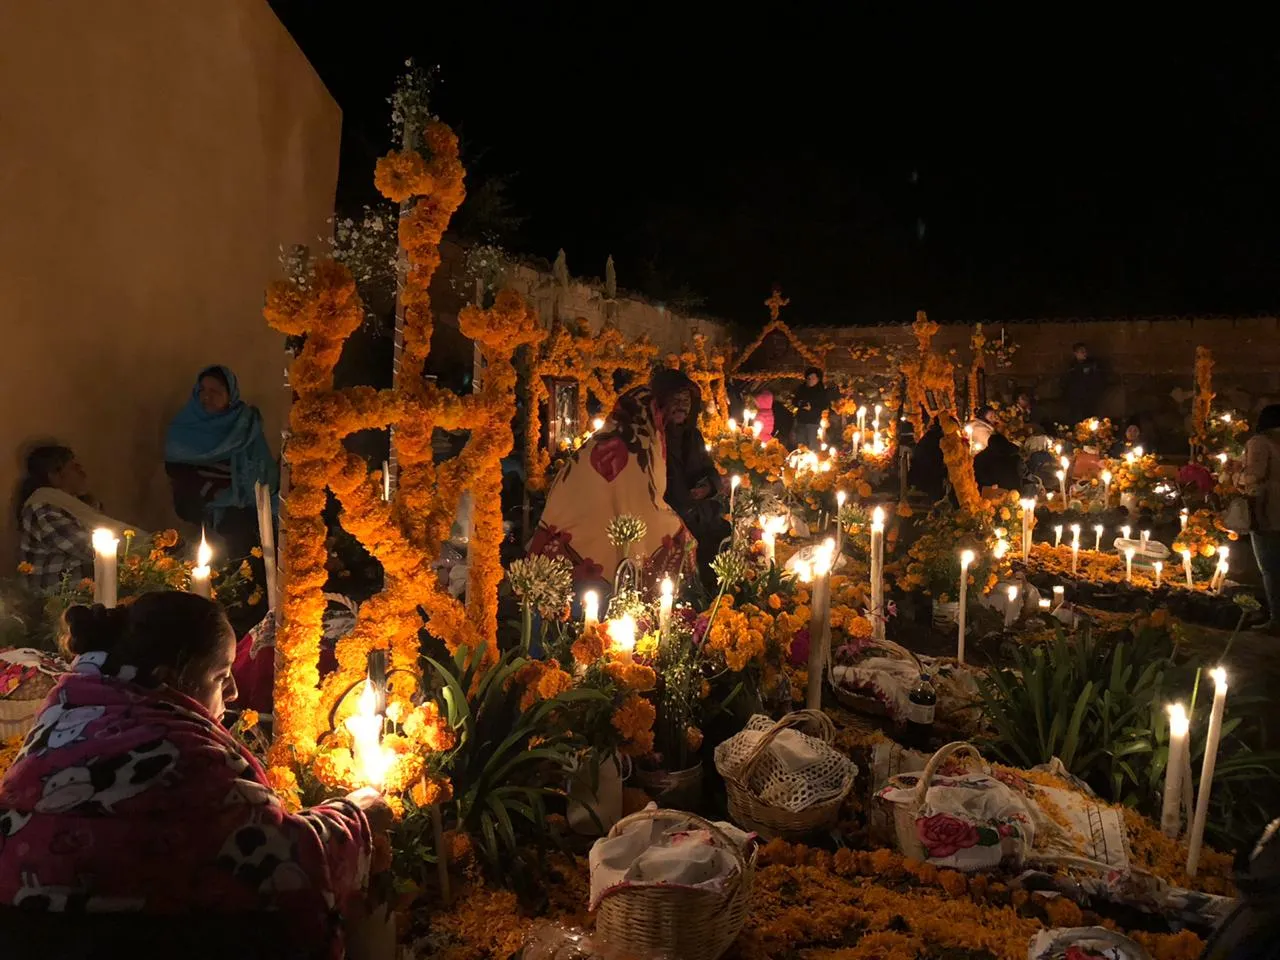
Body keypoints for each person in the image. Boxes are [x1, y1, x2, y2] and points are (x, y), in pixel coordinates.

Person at [0, 592, 386, 958]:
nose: (234, 693)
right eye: (221, 676)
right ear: (172, 677)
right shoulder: (178, 754)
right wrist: (353, 815)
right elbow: (280, 860)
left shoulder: (64, 713)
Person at [529, 369, 717, 585]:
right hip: (605, 521)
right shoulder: (635, 442)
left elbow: (706, 471)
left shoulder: (687, 437)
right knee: (680, 542)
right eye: (676, 400)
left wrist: (707, 487)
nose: (682, 405)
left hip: (686, 509)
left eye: (687, 400)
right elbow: (638, 496)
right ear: (658, 406)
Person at [165, 366, 277, 559]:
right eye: (202, 391)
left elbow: (263, 467)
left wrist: (245, 492)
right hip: (205, 508)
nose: (206, 397)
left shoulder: (245, 424)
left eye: (215, 392)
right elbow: (176, 470)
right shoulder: (185, 428)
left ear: (230, 395)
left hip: (251, 504)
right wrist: (214, 491)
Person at [17, 446, 144, 592]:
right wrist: (141, 551)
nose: (83, 473)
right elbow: (88, 548)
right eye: (75, 468)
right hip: (61, 594)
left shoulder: (77, 507)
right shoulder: (42, 508)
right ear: (54, 476)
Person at [1241, 404, 1280, 633]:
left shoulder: (1259, 443)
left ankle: (1276, 620)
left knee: (1270, 569)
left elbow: (1253, 476)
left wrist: (1236, 473)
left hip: (1268, 511)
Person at [1060, 342, 1105, 426]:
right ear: (1075, 353)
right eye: (1081, 351)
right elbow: (1066, 383)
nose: (1085, 353)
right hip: (1075, 402)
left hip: (1089, 400)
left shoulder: (1092, 365)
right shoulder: (1071, 367)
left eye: (1085, 351)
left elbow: (1098, 380)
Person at [793, 367, 834, 450]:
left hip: (813, 421)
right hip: (801, 420)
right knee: (801, 444)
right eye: (808, 378)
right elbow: (794, 400)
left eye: (813, 378)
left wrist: (811, 408)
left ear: (818, 379)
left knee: (812, 444)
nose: (810, 380)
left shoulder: (821, 391)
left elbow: (824, 405)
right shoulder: (802, 388)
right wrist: (800, 403)